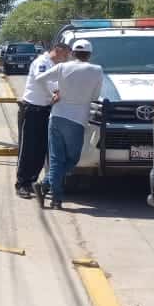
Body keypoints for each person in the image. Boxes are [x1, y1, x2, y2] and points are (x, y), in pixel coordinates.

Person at [33, 39, 104, 209]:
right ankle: (47, 187)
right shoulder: (96, 70)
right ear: (89, 55)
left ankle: (52, 193)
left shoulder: (62, 67)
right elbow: (95, 96)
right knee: (72, 159)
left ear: (73, 53)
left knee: (56, 159)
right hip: (77, 120)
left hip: (56, 117)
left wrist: (54, 93)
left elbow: (39, 79)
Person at [14, 42, 71, 198]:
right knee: (27, 149)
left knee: (41, 150)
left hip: (46, 111)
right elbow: (41, 79)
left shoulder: (55, 65)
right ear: (58, 50)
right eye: (65, 54)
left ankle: (32, 181)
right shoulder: (42, 62)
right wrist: (55, 92)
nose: (66, 58)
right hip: (32, 110)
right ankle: (22, 184)